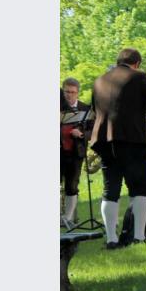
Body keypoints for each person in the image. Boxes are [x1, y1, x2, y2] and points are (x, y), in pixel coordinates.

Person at [90, 48, 146, 249]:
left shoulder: (100, 80)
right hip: (132, 139)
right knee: (141, 188)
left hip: (105, 141)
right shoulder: (139, 77)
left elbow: (95, 110)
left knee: (111, 189)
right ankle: (139, 237)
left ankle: (111, 239)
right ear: (137, 63)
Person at [60, 77, 92, 226]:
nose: (69, 95)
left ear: (77, 93)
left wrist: (81, 134)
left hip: (75, 152)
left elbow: (93, 131)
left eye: (73, 92)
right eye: (66, 92)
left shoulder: (86, 109)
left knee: (72, 186)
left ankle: (68, 218)